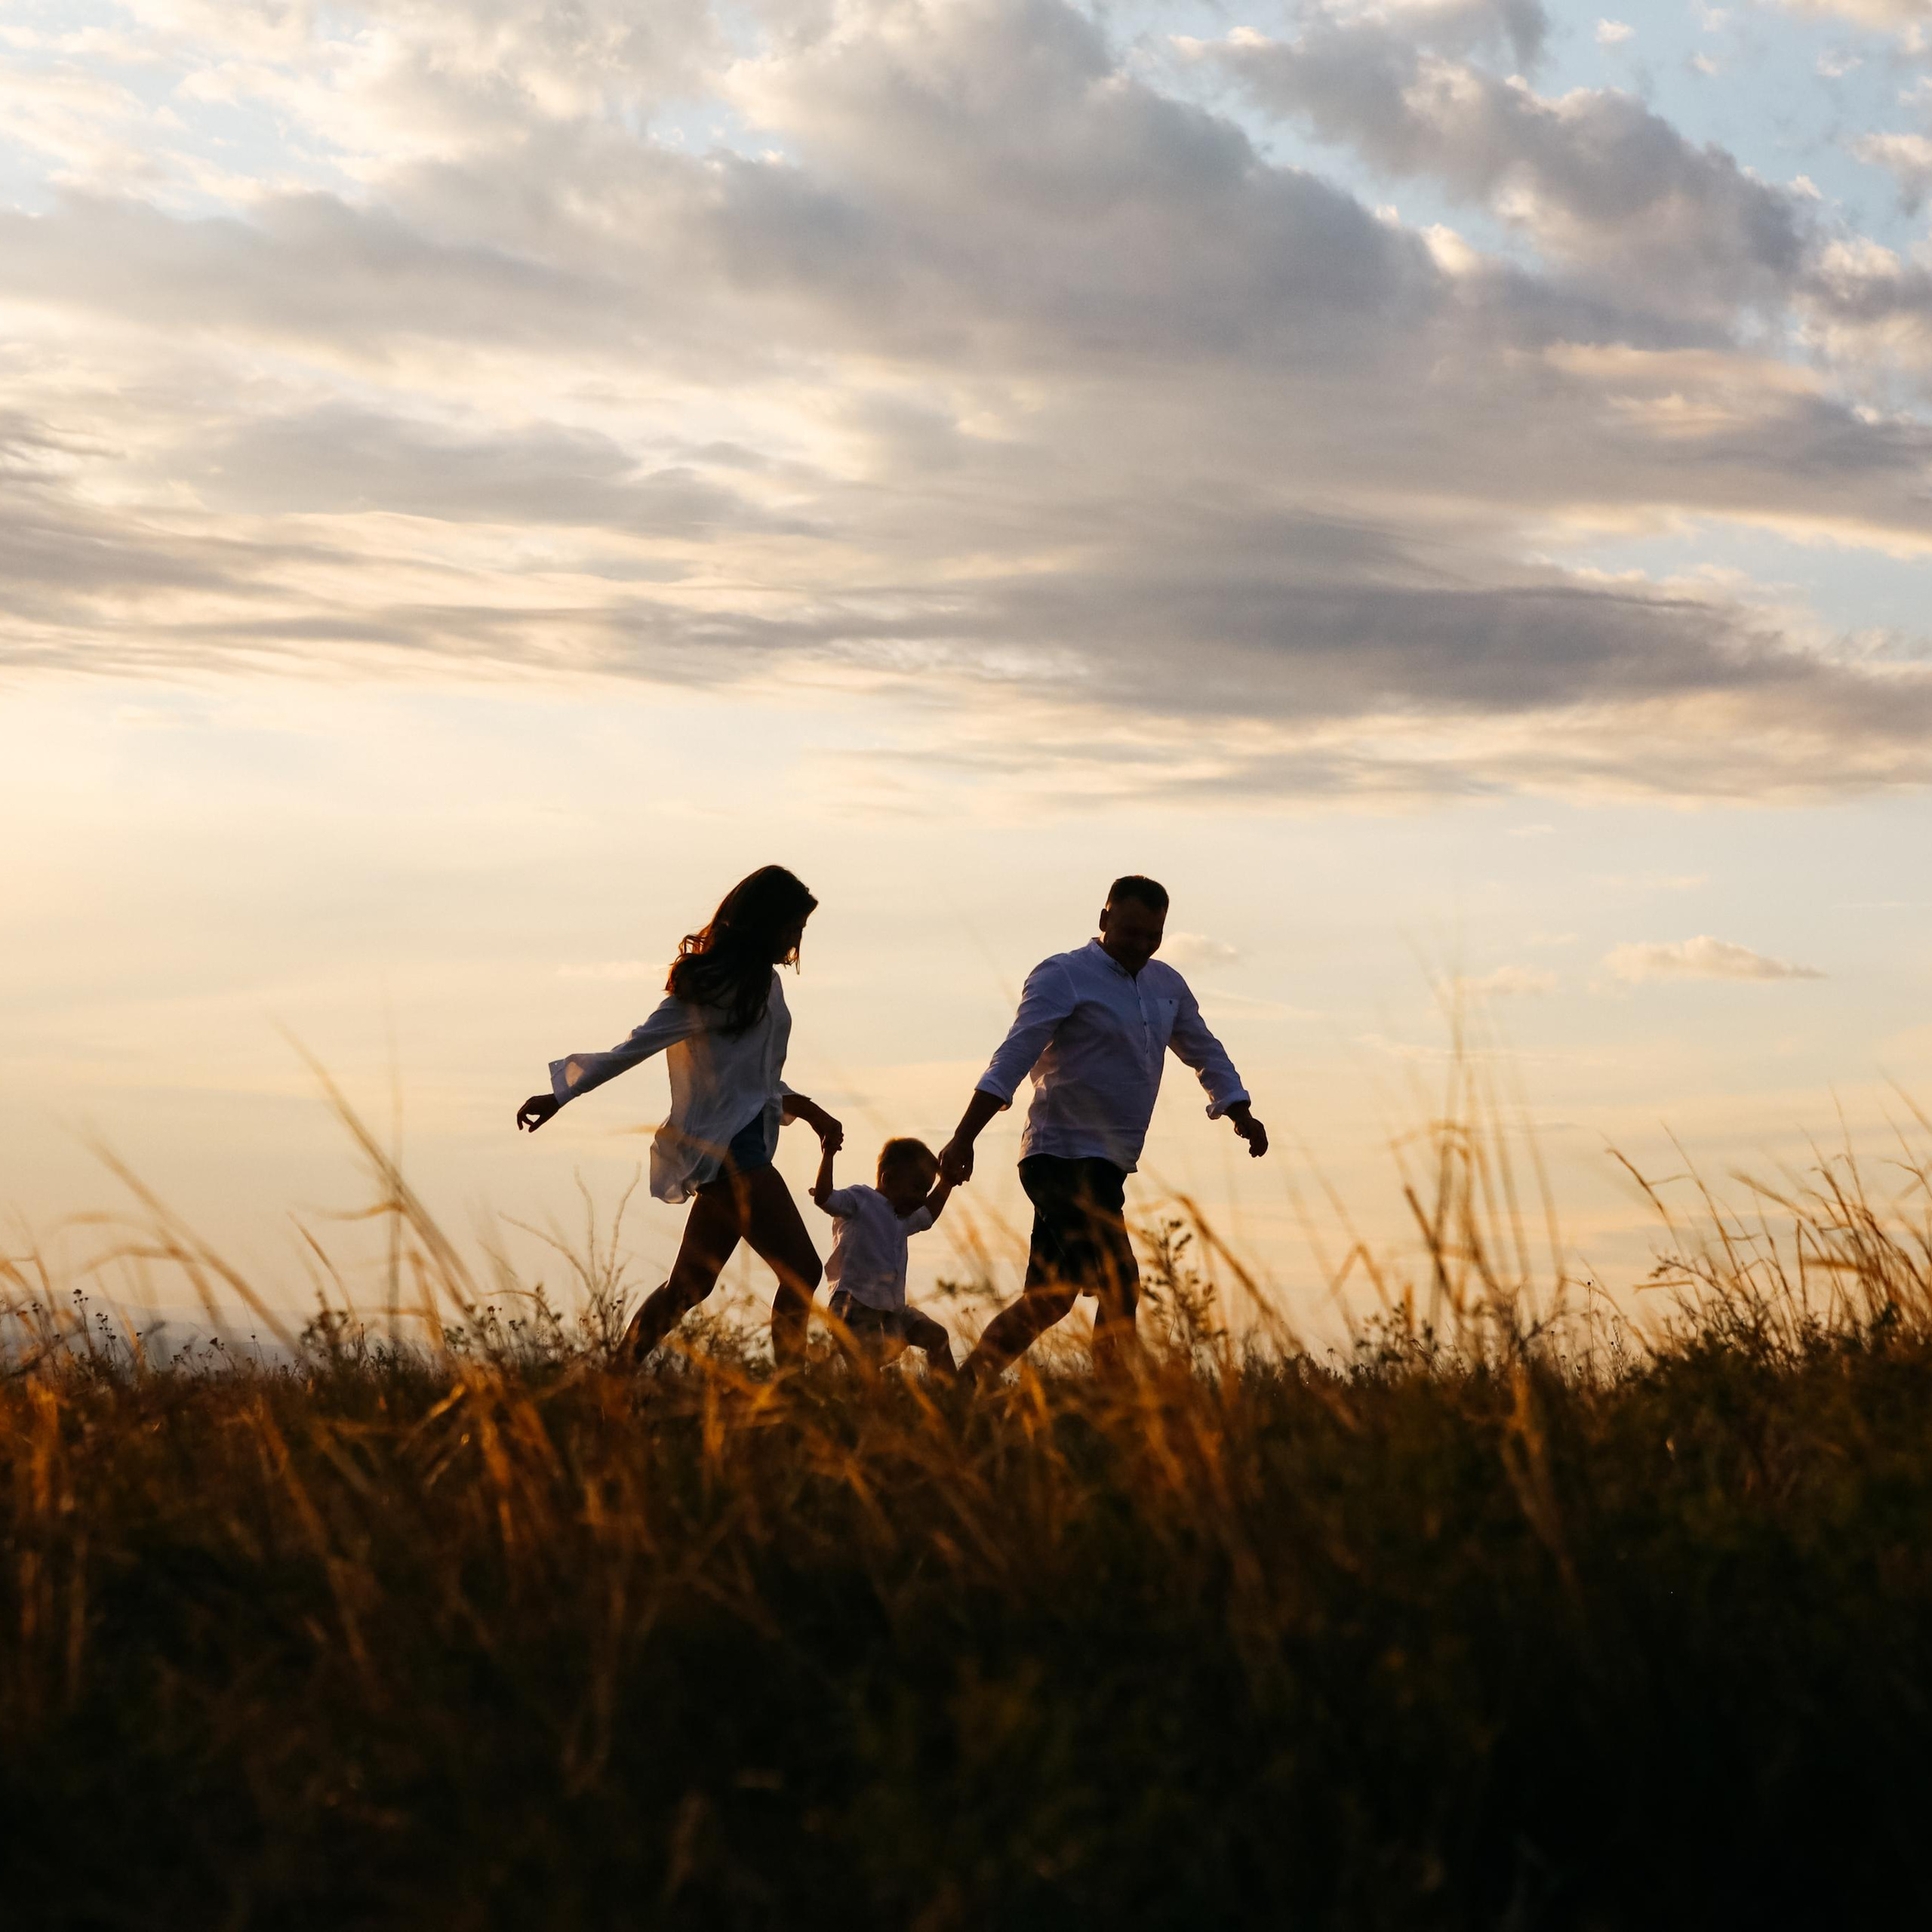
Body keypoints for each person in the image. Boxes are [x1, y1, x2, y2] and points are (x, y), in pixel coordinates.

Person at [938, 875, 1266, 1380]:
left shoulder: (1167, 986)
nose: (1141, 946)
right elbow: (1014, 1054)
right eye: (1131, 932)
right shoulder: (1064, 975)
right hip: (1057, 1157)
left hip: (1108, 1165)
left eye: (1152, 937)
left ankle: (963, 1388)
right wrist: (965, 1135)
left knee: (1050, 1301)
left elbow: (1204, 1050)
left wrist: (1238, 1109)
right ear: (1104, 919)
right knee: (1120, 1281)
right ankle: (1115, 1401)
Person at [515, 865, 843, 1366]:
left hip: (741, 1147)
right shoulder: (710, 986)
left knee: (689, 1286)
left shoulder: (764, 987)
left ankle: (616, 1376)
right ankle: (789, 1393)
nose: (797, 939)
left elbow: (750, 1078)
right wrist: (561, 1095)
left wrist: (809, 1109)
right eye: (792, 927)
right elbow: (636, 1046)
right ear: (765, 923)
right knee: (801, 1268)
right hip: (732, 1152)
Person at [810, 1135, 958, 1380]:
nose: (922, 1197)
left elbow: (928, 1215)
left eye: (927, 1190)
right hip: (851, 1309)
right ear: (888, 1179)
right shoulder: (861, 1200)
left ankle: (955, 1398)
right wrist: (828, 1155)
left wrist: (947, 1184)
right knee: (866, 1375)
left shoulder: (903, 1219)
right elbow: (824, 1198)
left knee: (936, 1336)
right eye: (917, 1188)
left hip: (891, 1311)